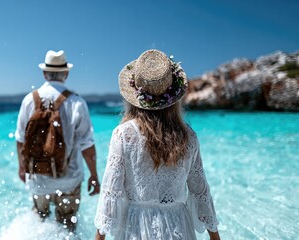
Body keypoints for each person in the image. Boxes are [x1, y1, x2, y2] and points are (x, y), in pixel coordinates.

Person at [94, 49, 221, 240]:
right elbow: (200, 190)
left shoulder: (124, 134)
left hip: (136, 227)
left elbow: (111, 193)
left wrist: (99, 237)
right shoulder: (188, 136)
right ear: (174, 98)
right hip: (179, 225)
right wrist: (215, 236)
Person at [15, 50, 100, 232]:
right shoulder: (76, 102)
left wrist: (22, 167)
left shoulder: (29, 100)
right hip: (69, 179)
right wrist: (94, 175)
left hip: (38, 179)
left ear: (44, 73)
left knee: (39, 224)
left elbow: (20, 139)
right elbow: (87, 145)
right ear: (66, 74)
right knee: (68, 227)